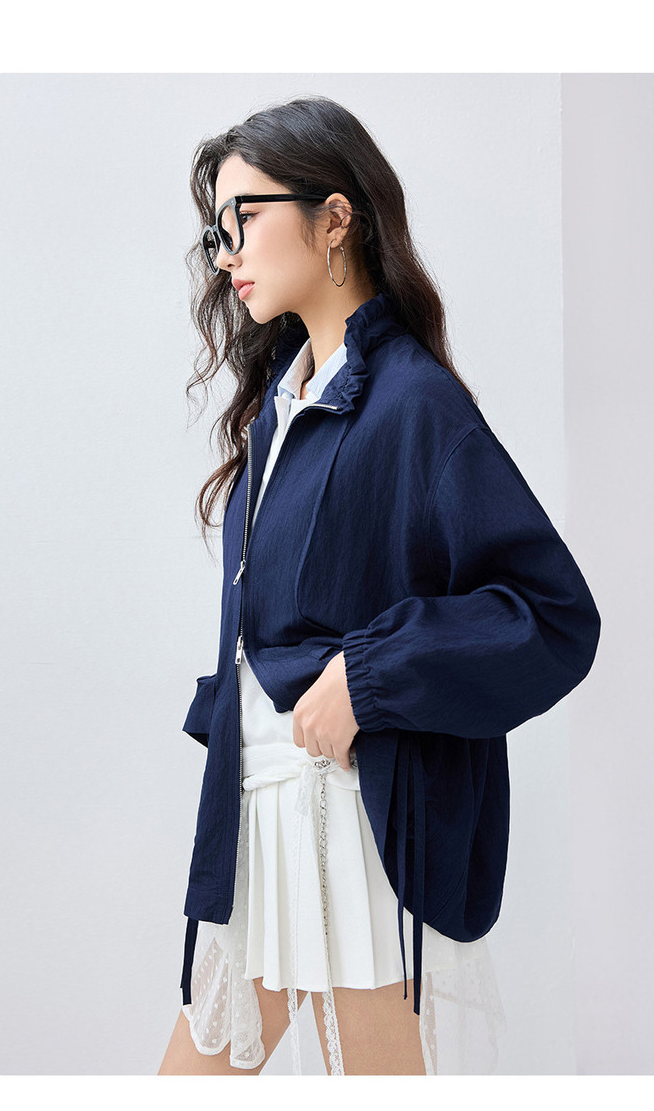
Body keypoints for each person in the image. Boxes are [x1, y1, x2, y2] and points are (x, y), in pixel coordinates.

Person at [158, 94, 601, 1077]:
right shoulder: (279, 406)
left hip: (348, 821)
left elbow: (553, 616)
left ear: (334, 219)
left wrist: (368, 677)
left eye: (245, 217)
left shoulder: (411, 402)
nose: (226, 252)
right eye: (217, 230)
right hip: (261, 813)